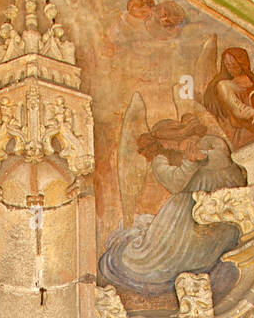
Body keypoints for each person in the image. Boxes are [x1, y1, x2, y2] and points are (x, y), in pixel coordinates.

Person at [98, 115, 244, 296]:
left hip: (221, 205)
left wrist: (202, 154)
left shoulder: (209, 143)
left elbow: (225, 163)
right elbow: (175, 184)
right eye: (169, 144)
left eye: (179, 141)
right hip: (184, 215)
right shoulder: (160, 160)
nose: (177, 147)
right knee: (147, 259)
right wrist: (190, 162)